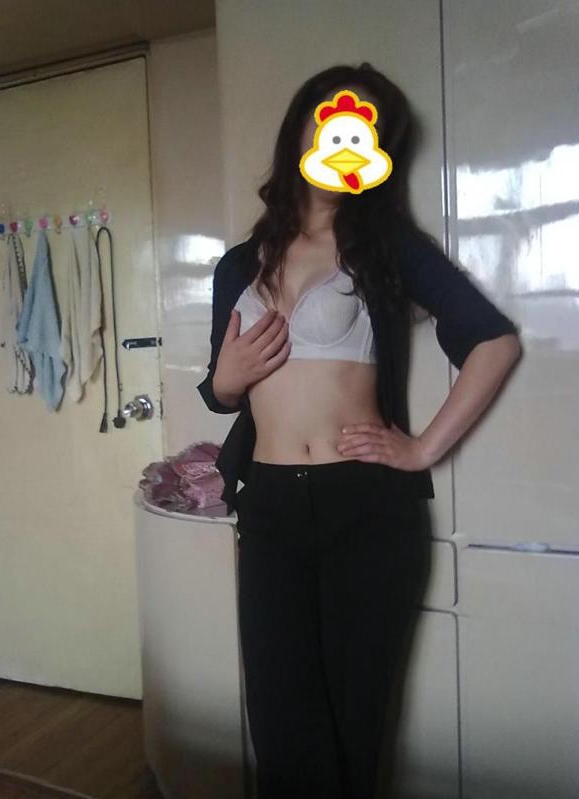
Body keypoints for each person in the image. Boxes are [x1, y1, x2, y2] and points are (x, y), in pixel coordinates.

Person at [197, 62, 522, 799]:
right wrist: (228, 376)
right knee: (281, 728)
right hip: (271, 507)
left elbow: (492, 340)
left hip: (366, 509)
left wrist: (422, 447)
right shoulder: (238, 266)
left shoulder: (386, 248)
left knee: (355, 726)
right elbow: (219, 394)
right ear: (302, 131)